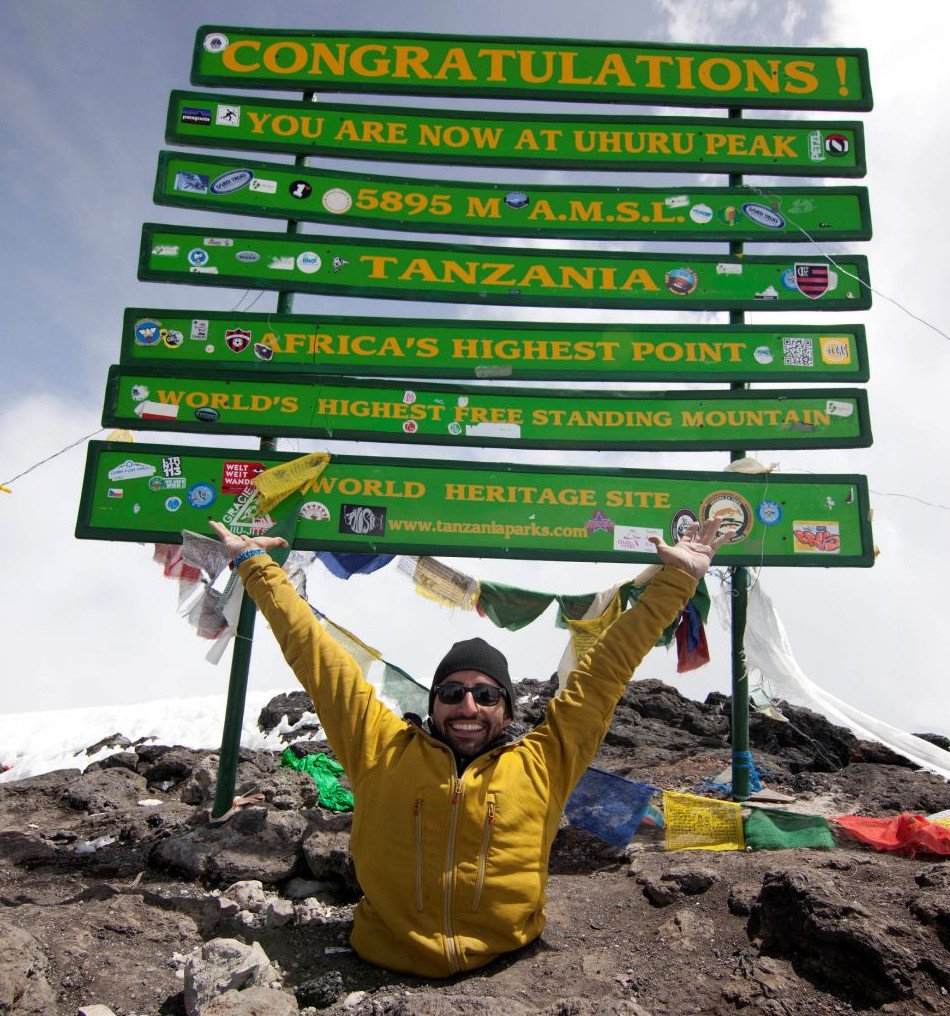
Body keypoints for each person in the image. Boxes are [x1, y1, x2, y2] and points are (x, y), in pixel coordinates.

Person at [210, 518, 727, 978]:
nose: (468, 707)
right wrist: (256, 566)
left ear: (506, 708)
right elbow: (318, 660)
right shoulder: (379, 749)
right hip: (382, 955)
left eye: (486, 695)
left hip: (507, 960)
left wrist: (678, 581)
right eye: (452, 694)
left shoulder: (545, 761)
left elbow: (605, 671)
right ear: (433, 704)